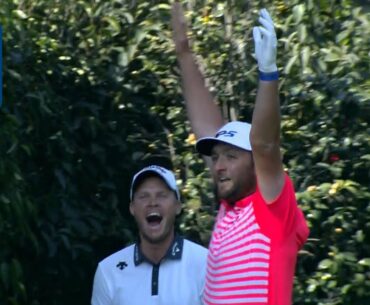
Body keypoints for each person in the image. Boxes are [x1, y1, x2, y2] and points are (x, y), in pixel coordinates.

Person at [171, 3, 309, 305]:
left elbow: (266, 145)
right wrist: (183, 52)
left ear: (255, 165)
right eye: (216, 156)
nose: (219, 165)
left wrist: (268, 75)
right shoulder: (228, 207)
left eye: (231, 157)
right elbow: (205, 124)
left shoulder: (272, 210)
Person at [91, 165, 208, 305]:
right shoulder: (108, 271)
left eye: (161, 195)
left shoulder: (206, 264)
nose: (152, 203)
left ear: (177, 206)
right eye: (143, 196)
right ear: (132, 208)